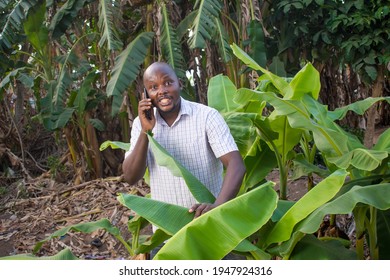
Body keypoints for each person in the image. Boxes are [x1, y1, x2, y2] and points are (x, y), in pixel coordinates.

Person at [122, 62, 246, 258]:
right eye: (154, 87)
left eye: (168, 83)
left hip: (209, 227)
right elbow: (130, 176)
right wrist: (146, 131)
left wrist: (217, 207)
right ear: (146, 94)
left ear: (179, 84)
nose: (162, 91)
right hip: (166, 234)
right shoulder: (140, 124)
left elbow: (236, 165)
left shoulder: (206, 116)